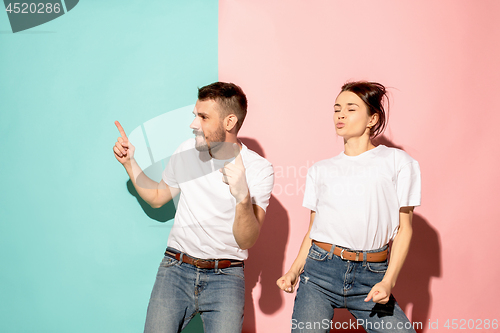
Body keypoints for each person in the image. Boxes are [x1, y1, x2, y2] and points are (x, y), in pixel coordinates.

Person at [113, 82, 274, 333]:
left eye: (203, 117)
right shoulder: (186, 151)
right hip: (176, 270)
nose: (193, 124)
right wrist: (129, 163)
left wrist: (242, 197)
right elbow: (157, 196)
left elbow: (246, 240)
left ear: (229, 121)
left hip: (226, 277)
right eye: (195, 115)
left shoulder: (259, 169)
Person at [276, 81, 421, 333]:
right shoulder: (320, 170)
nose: (341, 114)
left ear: (372, 118)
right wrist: (293, 271)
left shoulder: (399, 163)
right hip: (319, 272)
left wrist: (388, 282)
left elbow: (404, 229)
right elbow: (313, 230)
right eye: (337, 108)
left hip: (371, 274)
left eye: (351, 109)